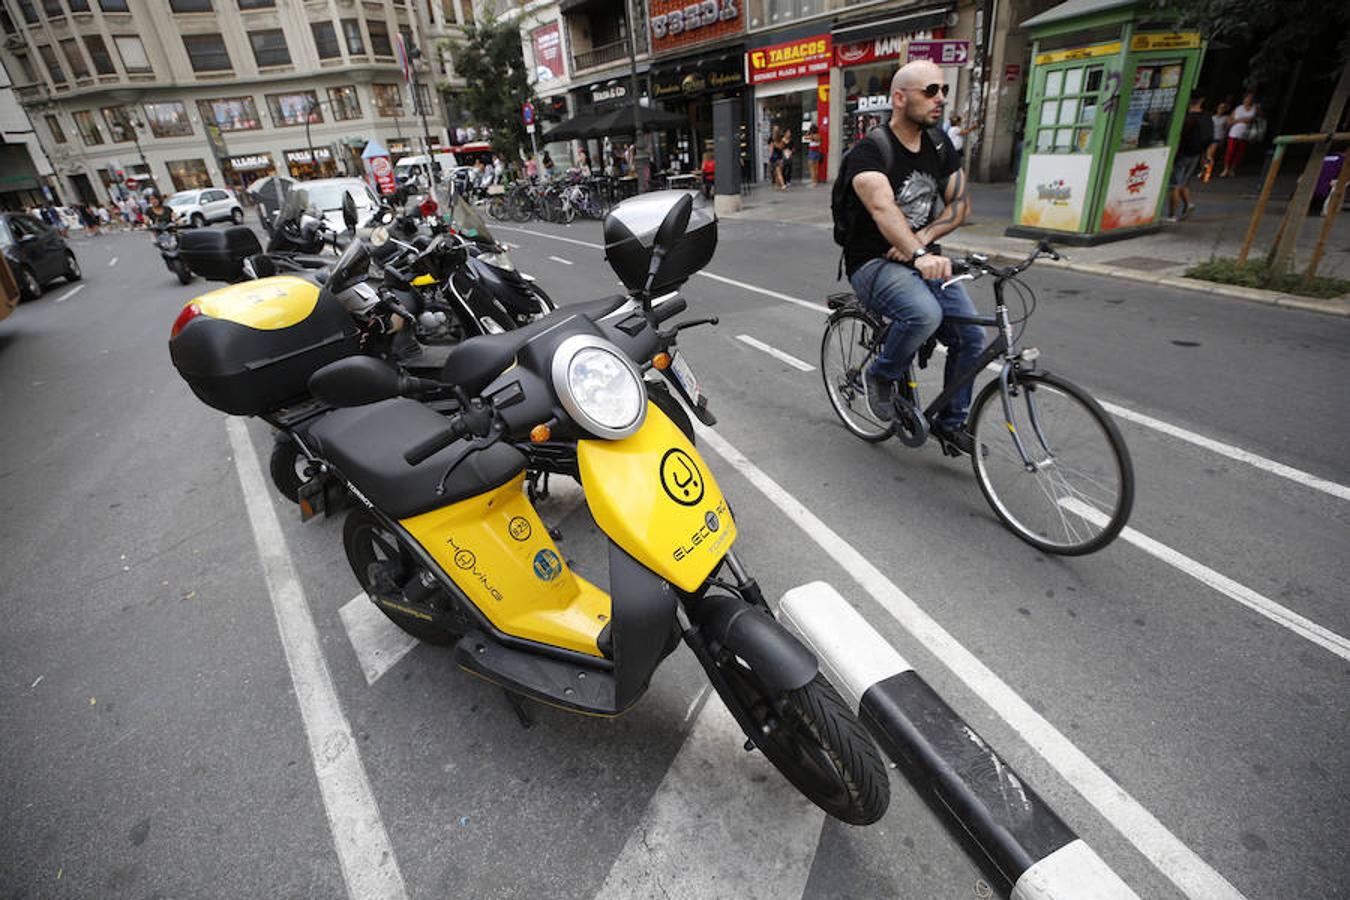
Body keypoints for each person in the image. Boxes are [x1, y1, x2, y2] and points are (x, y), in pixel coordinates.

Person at [844, 60, 980, 453]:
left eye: (943, 91)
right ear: (900, 98)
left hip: (923, 255)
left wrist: (925, 238)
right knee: (923, 314)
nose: (940, 98)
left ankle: (952, 423)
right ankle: (881, 375)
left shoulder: (939, 144)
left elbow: (960, 203)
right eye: (930, 91)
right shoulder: (870, 151)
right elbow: (884, 208)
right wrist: (917, 252)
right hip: (873, 263)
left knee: (971, 336)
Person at [1167, 96, 1210, 221]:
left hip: (1182, 154)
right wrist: (1206, 156)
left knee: (1174, 185)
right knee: (1183, 182)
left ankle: (1172, 215)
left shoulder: (1187, 118)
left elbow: (1178, 137)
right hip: (1196, 155)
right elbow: (1209, 138)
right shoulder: (1206, 117)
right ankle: (1188, 204)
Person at [1221, 93, 1259, 177]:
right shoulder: (1238, 109)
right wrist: (1242, 120)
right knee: (1230, 151)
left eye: (1251, 98)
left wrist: (1241, 120)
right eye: (1247, 98)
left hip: (1245, 134)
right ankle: (1226, 169)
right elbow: (1231, 121)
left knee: (1239, 153)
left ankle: (1232, 169)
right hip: (1234, 133)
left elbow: (1253, 119)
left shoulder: (1254, 109)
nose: (1249, 100)